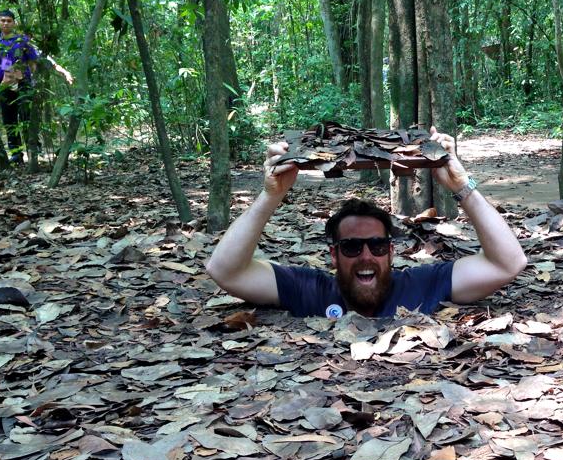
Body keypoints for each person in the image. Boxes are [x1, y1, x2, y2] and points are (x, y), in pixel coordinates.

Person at [206, 127, 528, 318]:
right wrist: (270, 196)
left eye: (376, 245)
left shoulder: (420, 285)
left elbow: (507, 264)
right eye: (351, 247)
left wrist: (461, 185)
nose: (366, 256)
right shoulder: (312, 292)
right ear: (333, 255)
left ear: (391, 252)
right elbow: (226, 270)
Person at [0, 10, 39, 165]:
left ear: (14, 23)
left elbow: (33, 63)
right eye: (3, 20)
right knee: (9, 120)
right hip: (4, 86)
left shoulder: (22, 41)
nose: (6, 23)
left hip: (23, 84)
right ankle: (16, 155)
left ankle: (33, 151)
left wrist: (30, 80)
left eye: (9, 20)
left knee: (26, 118)